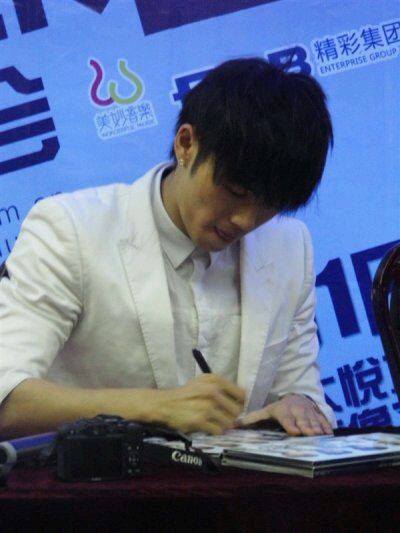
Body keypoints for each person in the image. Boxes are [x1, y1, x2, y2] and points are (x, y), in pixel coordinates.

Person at [0, 57, 336, 438]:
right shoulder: (71, 230)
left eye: (269, 205)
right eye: (235, 191)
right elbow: (5, 394)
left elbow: (300, 388)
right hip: (96, 475)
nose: (246, 220)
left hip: (235, 476)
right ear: (186, 144)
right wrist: (155, 408)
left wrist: (298, 406)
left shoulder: (289, 246)